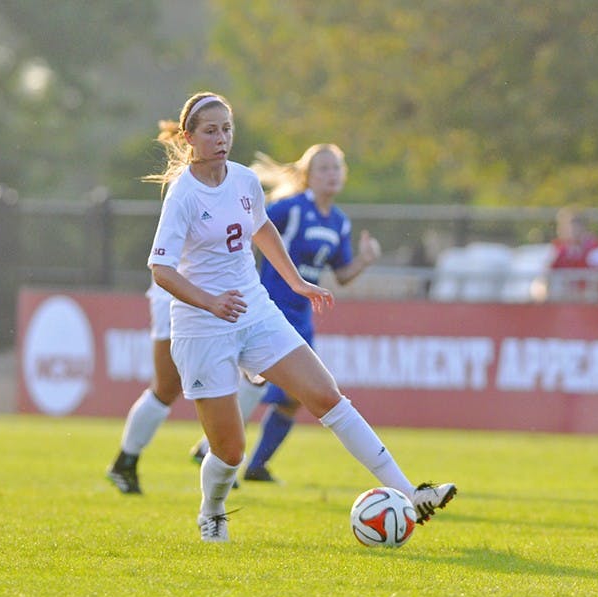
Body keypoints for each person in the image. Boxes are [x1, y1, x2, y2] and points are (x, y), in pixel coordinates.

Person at [145, 91, 456, 541]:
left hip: (255, 311)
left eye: (227, 129)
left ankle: (410, 492)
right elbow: (161, 269)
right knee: (230, 451)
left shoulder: (245, 180)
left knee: (327, 396)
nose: (221, 138)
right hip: (202, 327)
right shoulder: (183, 195)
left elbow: (263, 228)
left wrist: (295, 282)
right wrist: (210, 302)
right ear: (190, 138)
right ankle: (212, 510)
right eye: (210, 131)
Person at [192, 143, 382, 483]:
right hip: (270, 307)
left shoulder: (339, 222)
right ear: (308, 176)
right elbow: (249, 227)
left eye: (336, 168)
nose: (331, 174)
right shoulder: (290, 209)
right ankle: (213, 449)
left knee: (295, 399)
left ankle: (255, 466)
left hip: (301, 315)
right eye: (323, 168)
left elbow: (341, 274)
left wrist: (365, 260)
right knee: (257, 379)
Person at [106, 284, 264, 494]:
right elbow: (163, 264)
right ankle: (125, 461)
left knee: (259, 373)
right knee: (167, 388)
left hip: (230, 292)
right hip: (180, 296)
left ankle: (210, 448)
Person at [546, 206, 598, 301]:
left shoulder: (597, 247)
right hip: (568, 300)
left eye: (566, 226)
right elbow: (547, 275)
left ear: (581, 227)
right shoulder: (559, 248)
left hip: (594, 302)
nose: (561, 230)